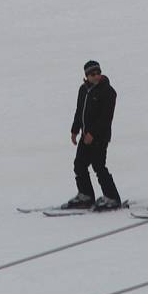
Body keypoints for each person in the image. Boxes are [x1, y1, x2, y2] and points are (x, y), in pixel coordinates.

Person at [64, 60, 122, 210]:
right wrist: (75, 129)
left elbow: (106, 117)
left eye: (98, 73)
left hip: (100, 137)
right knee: (79, 165)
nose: (96, 76)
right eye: (92, 74)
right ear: (86, 76)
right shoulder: (83, 90)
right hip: (85, 136)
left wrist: (93, 134)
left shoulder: (108, 91)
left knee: (98, 165)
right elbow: (79, 111)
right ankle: (86, 195)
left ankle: (112, 197)